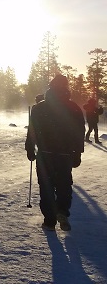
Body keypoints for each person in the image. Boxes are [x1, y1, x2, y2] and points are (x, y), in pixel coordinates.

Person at [25, 74, 85, 232]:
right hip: (65, 154)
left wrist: (30, 148)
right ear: (66, 87)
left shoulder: (39, 108)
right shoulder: (74, 108)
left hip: (45, 154)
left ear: (50, 87)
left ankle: (50, 220)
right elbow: (79, 132)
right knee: (64, 184)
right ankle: (62, 212)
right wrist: (77, 152)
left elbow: (32, 131)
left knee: (46, 186)